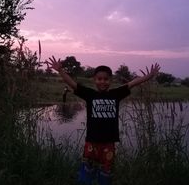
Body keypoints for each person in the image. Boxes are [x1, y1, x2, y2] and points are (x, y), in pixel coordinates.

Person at [46, 56, 160, 185]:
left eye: (106, 79)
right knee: (86, 174)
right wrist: (60, 71)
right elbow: (72, 84)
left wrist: (149, 76)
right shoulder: (90, 94)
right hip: (91, 142)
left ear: (110, 80)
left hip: (108, 143)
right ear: (94, 80)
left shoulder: (116, 94)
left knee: (106, 174)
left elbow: (133, 83)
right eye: (99, 79)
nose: (102, 82)